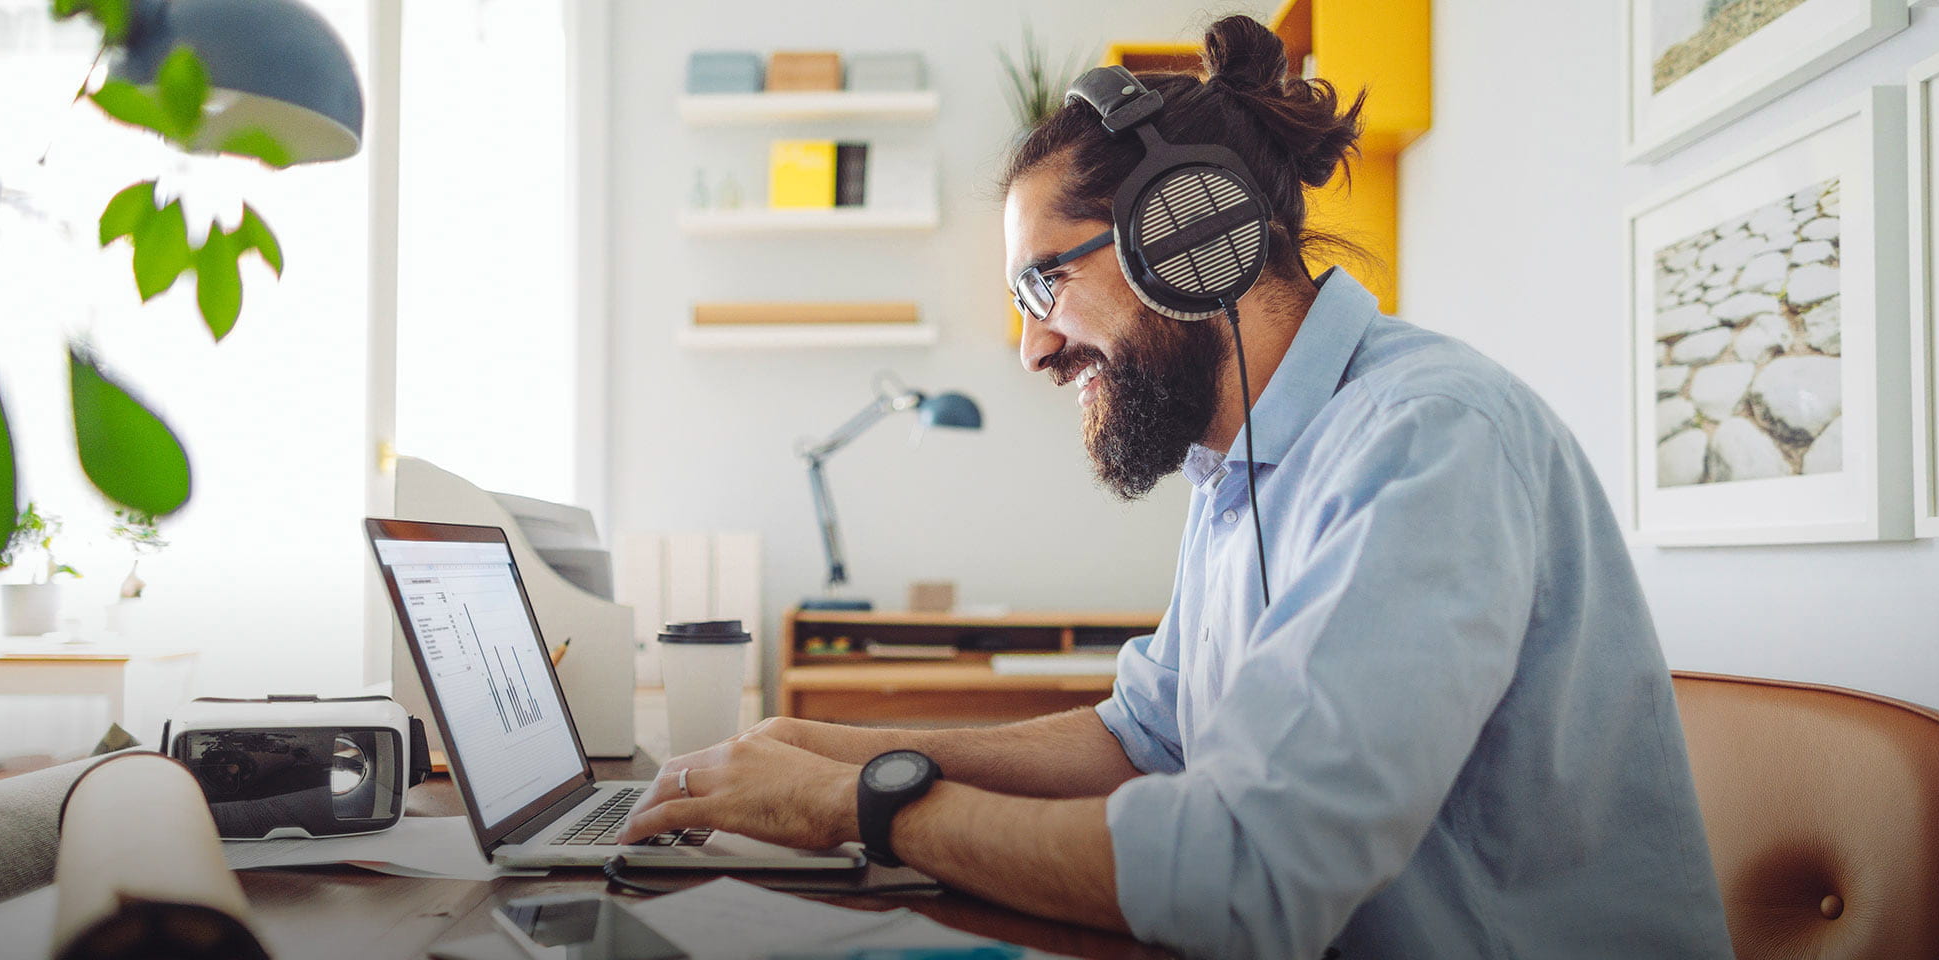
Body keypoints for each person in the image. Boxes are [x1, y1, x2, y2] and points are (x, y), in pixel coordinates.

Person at [622, 15, 1735, 959]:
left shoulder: (1426, 440)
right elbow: (1145, 738)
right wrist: (826, 748)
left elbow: (1253, 876)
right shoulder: (1237, 462)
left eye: (1041, 284)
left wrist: (860, 806)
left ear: (1185, 233)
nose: (1033, 349)